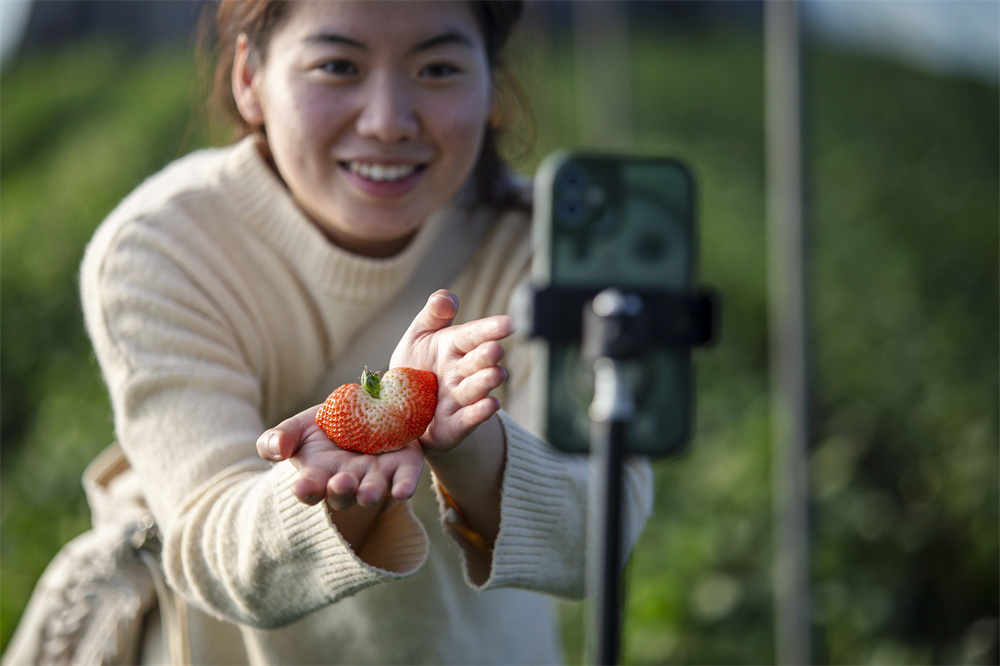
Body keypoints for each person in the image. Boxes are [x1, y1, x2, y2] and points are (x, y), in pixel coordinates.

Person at [70, 1, 654, 663]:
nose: (386, 121)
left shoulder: (544, 248)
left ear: (492, 84)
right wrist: (332, 492)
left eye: (437, 68)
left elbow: (598, 534)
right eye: (338, 66)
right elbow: (211, 540)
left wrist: (470, 447)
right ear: (249, 79)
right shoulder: (166, 247)